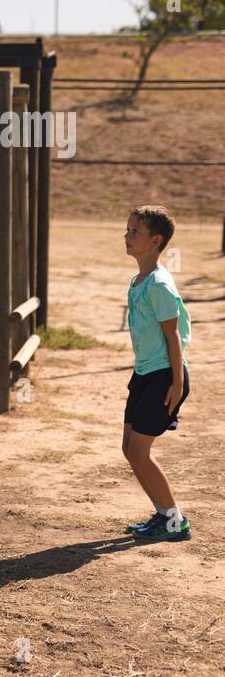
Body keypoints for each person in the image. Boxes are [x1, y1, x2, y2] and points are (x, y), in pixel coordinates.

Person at [120, 205, 192, 540]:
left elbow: (172, 336)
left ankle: (176, 521)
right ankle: (164, 515)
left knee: (139, 451)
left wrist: (177, 383)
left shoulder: (160, 284)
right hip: (144, 375)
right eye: (128, 229)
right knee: (128, 448)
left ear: (156, 240)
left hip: (165, 376)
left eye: (135, 231)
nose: (127, 236)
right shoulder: (138, 281)